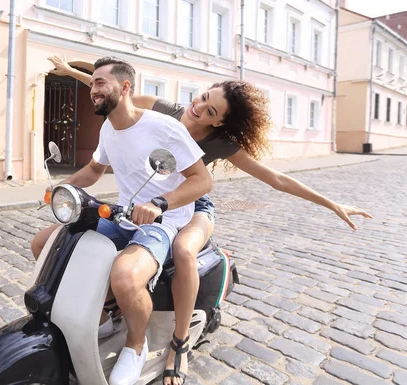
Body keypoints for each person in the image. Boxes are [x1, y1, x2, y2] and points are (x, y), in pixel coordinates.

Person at [40, 55, 373, 385]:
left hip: (193, 203)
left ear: (217, 122)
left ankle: (179, 343)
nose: (198, 108)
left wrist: (332, 204)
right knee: (74, 238)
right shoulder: (163, 110)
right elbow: (111, 91)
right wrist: (72, 72)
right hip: (148, 200)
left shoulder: (219, 142)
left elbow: (275, 179)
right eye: (202, 98)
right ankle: (110, 310)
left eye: (210, 110)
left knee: (184, 251)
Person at [35, 56, 212, 385]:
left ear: (125, 86)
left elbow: (202, 181)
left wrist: (160, 203)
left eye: (100, 82)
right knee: (45, 244)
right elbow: (93, 170)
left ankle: (136, 344)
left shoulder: (164, 128)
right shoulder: (107, 129)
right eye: (91, 84)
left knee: (126, 277)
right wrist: (60, 188)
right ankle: (102, 315)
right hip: (122, 215)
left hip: (160, 222)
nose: (93, 90)